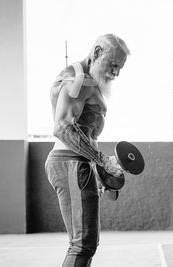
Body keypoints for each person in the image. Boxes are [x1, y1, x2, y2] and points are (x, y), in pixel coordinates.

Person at [45, 34, 130, 267]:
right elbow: (62, 128)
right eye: (113, 65)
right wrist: (102, 160)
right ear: (96, 53)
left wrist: (98, 169)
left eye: (120, 67)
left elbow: (83, 131)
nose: (116, 73)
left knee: (86, 243)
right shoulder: (80, 82)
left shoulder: (86, 80)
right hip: (70, 162)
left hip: (77, 162)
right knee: (82, 244)